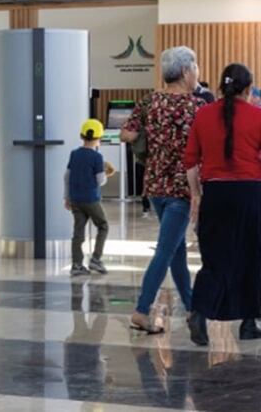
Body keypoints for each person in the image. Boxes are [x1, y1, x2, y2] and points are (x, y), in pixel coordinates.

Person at [182, 63, 261, 346]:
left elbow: (190, 159)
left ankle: (199, 313)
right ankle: (248, 322)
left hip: (215, 193)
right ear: (248, 89)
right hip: (248, 193)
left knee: (214, 258)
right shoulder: (258, 116)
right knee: (250, 255)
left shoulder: (203, 114)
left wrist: (197, 194)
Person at [123, 46, 203, 334]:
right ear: (185, 72)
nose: (197, 73)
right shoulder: (197, 107)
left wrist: (153, 141)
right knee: (166, 250)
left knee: (176, 249)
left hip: (155, 185)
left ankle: (193, 308)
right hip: (183, 188)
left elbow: (127, 133)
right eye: (195, 67)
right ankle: (142, 310)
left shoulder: (150, 101)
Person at [64, 118, 113, 277]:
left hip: (75, 199)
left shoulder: (74, 154)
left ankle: (76, 265)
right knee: (103, 226)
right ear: (99, 138)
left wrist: (67, 197)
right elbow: (100, 181)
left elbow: (67, 176)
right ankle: (96, 259)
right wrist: (107, 173)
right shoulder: (97, 157)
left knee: (78, 232)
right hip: (91, 199)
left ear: (81, 135)